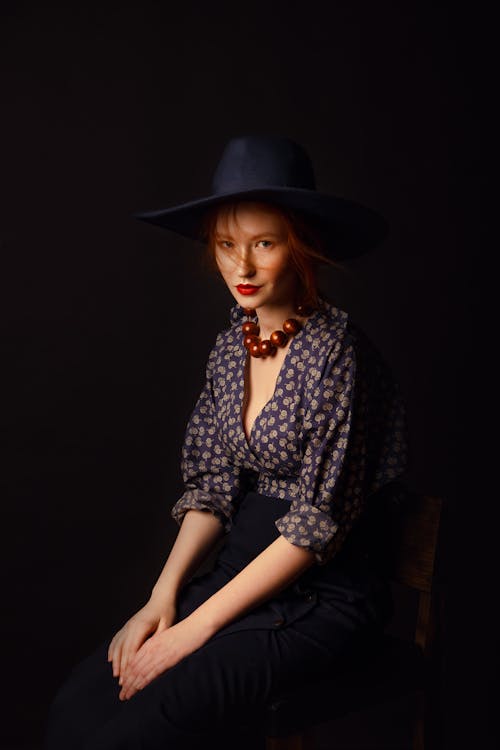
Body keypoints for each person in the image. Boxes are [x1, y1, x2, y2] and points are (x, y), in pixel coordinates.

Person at [44, 135, 408, 749]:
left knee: (141, 726)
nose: (242, 267)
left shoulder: (336, 354)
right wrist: (161, 601)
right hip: (238, 574)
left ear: (300, 244)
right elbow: (212, 487)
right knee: (78, 709)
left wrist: (193, 631)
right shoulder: (229, 348)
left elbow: (315, 525)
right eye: (226, 245)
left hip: (325, 598)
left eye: (263, 244)